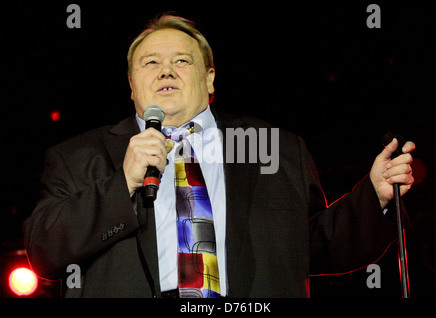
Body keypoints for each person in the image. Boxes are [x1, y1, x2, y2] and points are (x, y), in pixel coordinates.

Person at [22, 14, 415, 298]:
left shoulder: (273, 147)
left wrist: (374, 198)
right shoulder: (78, 157)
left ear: (209, 77)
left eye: (181, 60)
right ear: (131, 84)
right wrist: (122, 183)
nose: (166, 71)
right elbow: (45, 254)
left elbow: (309, 245)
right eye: (151, 62)